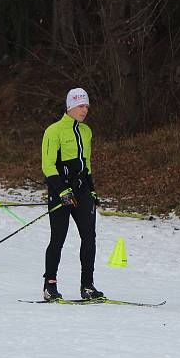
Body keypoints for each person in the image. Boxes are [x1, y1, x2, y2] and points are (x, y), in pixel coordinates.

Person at [41, 87, 103, 301]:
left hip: (82, 190)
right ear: (70, 107)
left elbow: (87, 163)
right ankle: (50, 285)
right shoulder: (54, 130)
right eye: (80, 106)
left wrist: (92, 190)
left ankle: (87, 286)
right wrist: (62, 190)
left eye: (86, 106)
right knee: (58, 238)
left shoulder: (86, 131)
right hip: (61, 191)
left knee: (89, 238)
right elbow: (48, 165)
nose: (85, 110)